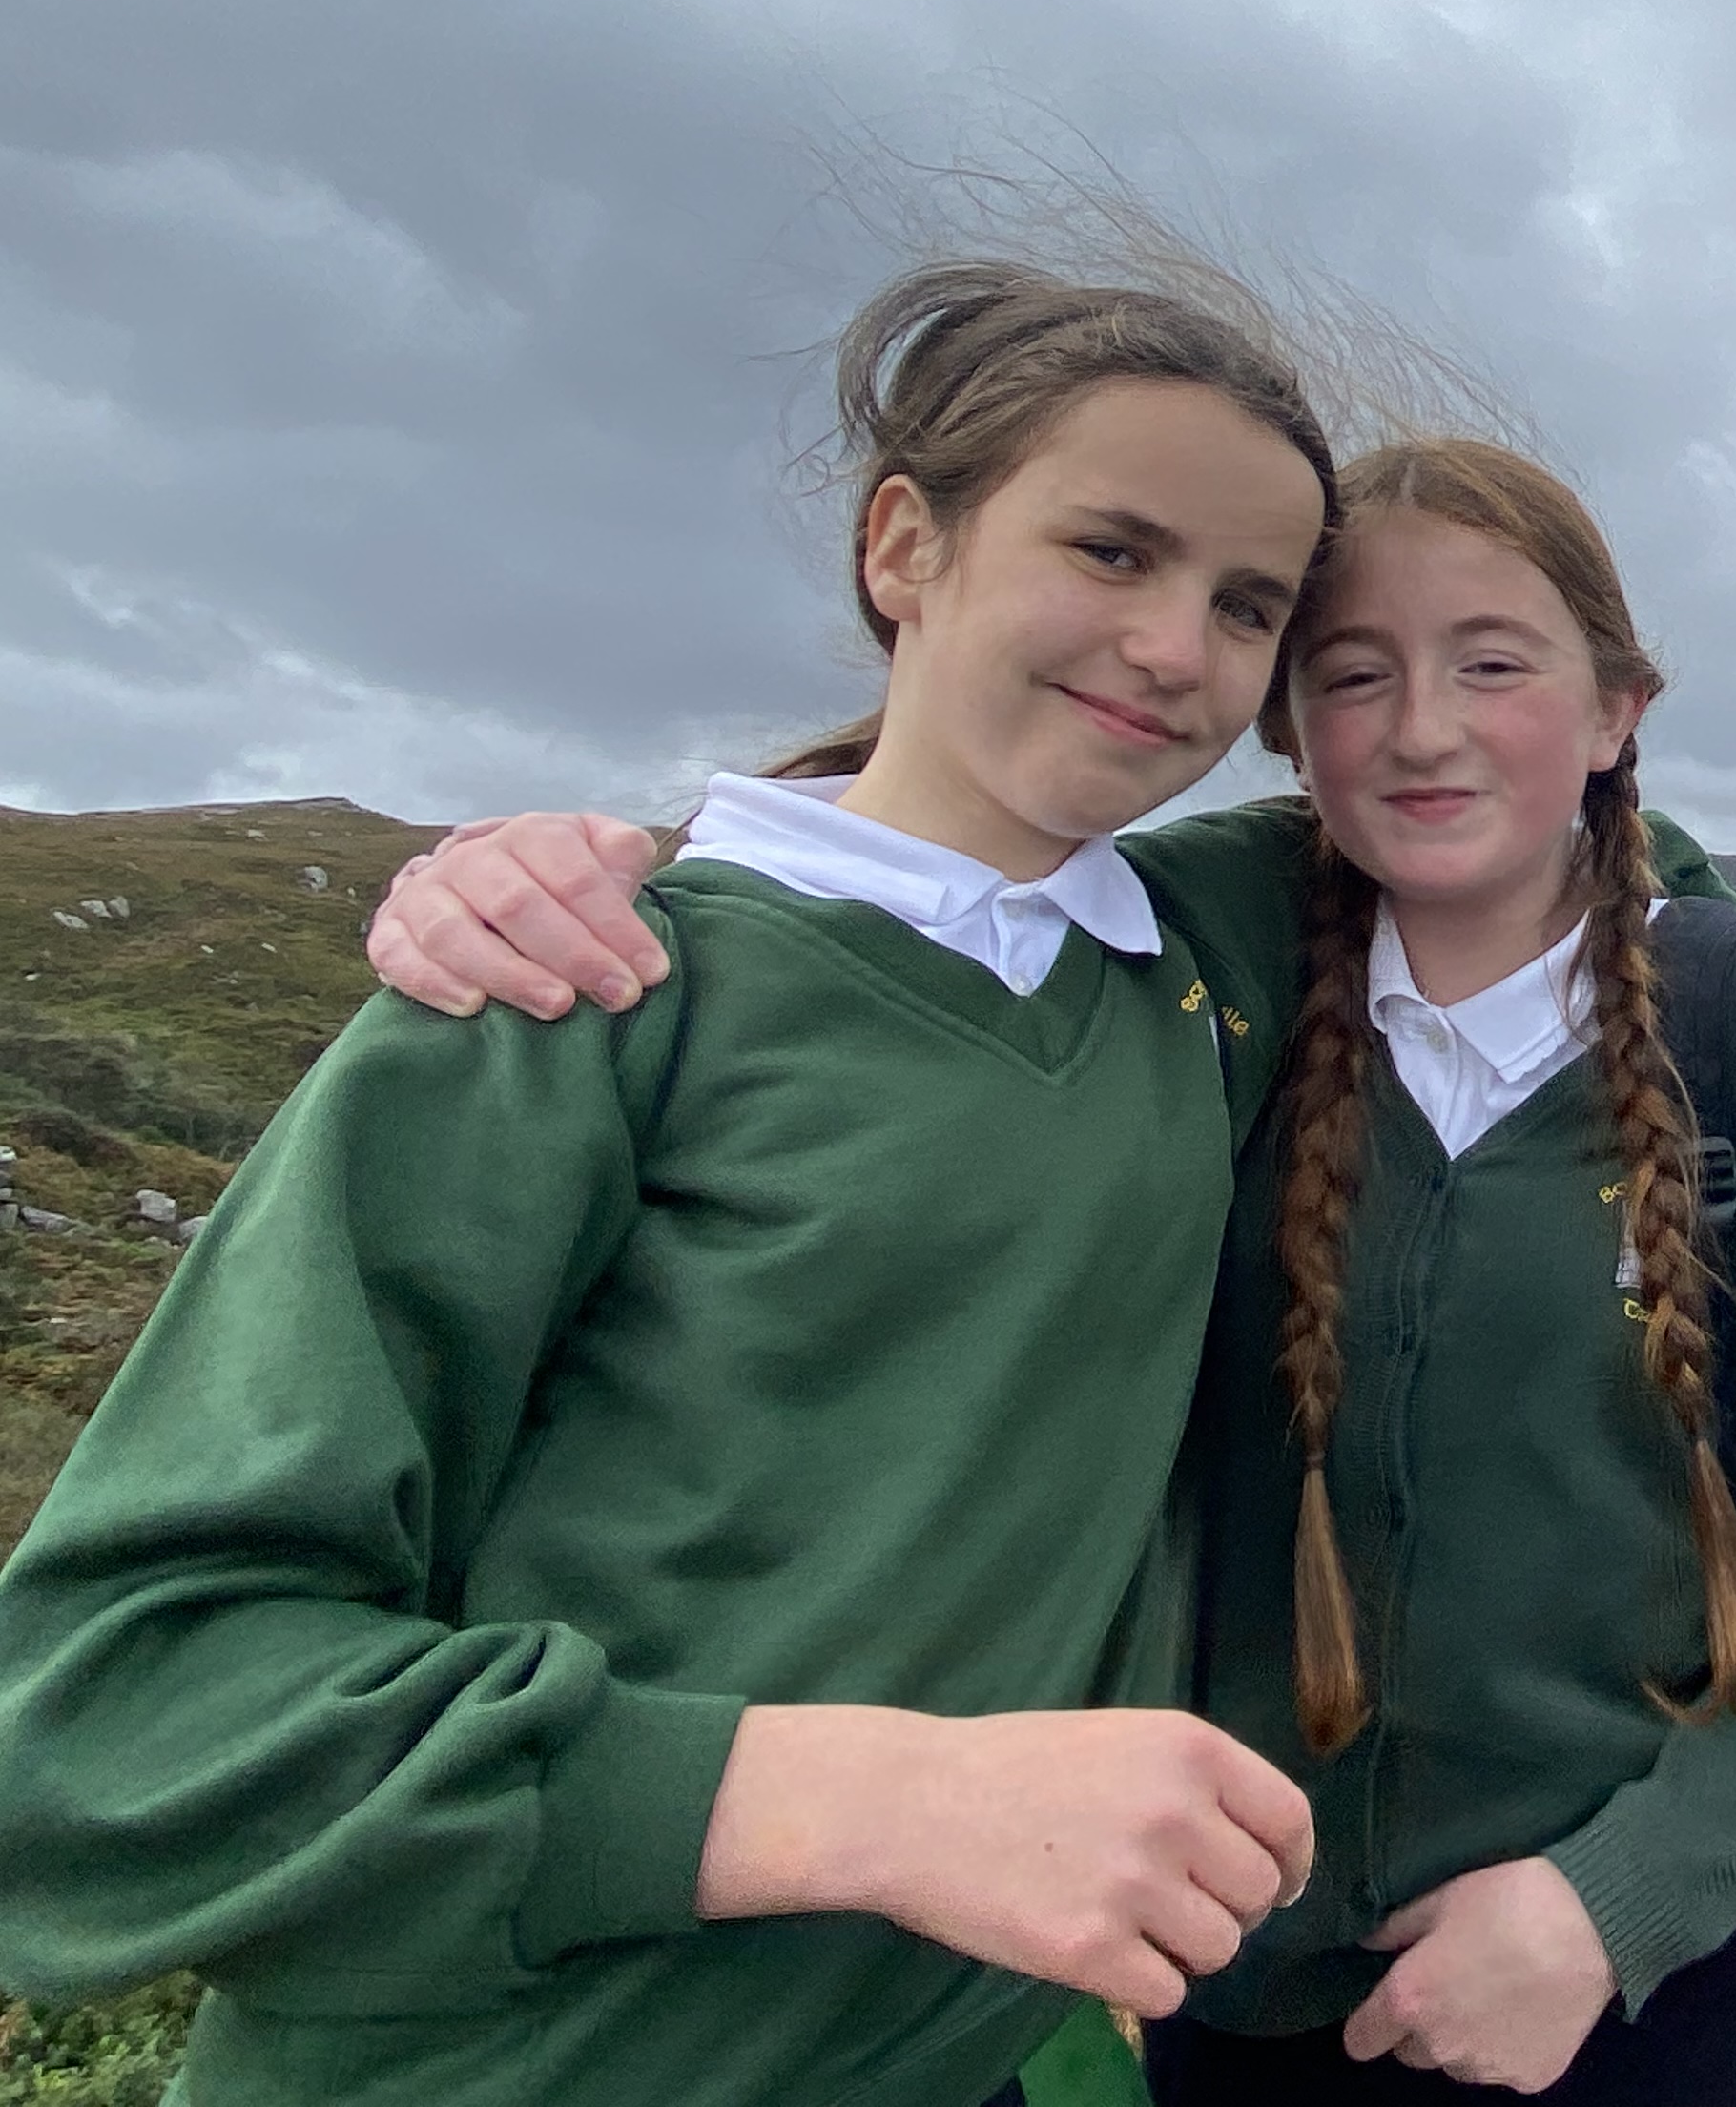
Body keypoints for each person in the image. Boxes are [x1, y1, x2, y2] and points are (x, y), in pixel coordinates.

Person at [0, 257, 1343, 2107]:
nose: (1179, 649)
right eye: (1112, 552)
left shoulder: (1202, 976)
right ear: (905, 545)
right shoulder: (582, 992)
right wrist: (878, 1804)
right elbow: (101, 1721)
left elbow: (1542, 807)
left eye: (1249, 605)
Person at [1135, 439, 1736, 2102]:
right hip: (1242, 2009)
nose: (1422, 727)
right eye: (1354, 673)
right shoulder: (1206, 998)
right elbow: (938, 857)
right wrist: (608, 867)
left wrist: (1614, 1905)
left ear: (1617, 711)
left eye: (1494, 664)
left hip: (1648, 2013)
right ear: (1288, 726)